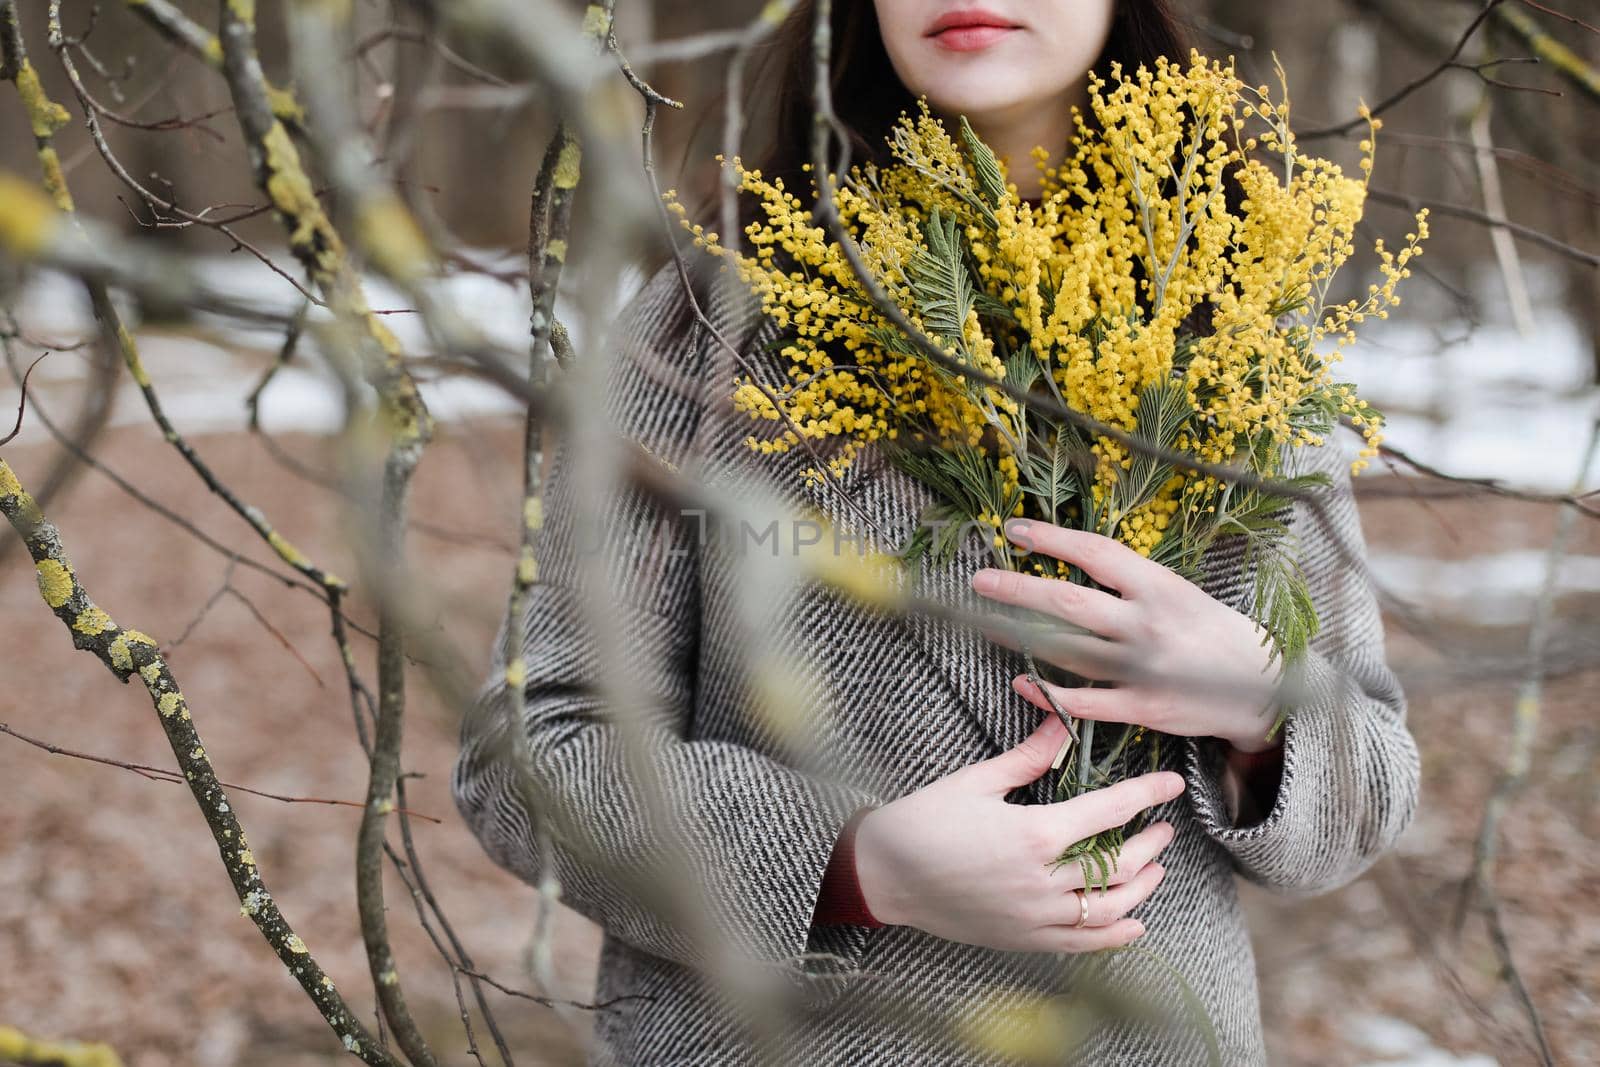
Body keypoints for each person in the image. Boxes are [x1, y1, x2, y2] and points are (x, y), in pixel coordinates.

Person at [452, 1, 1422, 1063]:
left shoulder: (1239, 326)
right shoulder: (710, 327)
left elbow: (1365, 794)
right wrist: (854, 862)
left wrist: (1260, 706)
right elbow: (533, 754)